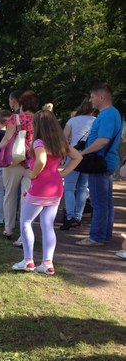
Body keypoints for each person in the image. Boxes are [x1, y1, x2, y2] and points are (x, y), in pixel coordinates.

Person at [12, 110, 82, 274]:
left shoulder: (38, 142)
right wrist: (63, 173)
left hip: (40, 187)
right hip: (56, 187)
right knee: (47, 225)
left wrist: (34, 174)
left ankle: (28, 260)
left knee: (26, 222)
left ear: (38, 125)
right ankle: (47, 263)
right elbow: (78, 157)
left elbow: (41, 160)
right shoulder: (60, 142)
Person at [76, 82, 123, 246]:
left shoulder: (108, 115)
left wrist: (82, 153)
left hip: (99, 163)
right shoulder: (113, 113)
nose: (91, 100)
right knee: (105, 202)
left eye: (93, 96)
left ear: (102, 97)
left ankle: (96, 237)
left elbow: (102, 140)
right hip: (106, 162)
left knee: (98, 202)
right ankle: (104, 234)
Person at [0, 90, 38, 242]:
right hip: (32, 161)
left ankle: (9, 228)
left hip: (14, 161)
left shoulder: (15, 118)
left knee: (10, 195)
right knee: (27, 198)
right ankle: (24, 234)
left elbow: (6, 139)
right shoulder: (39, 119)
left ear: (19, 102)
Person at [61, 98, 96, 230]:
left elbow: (64, 138)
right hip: (88, 155)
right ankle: (78, 217)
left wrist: (67, 150)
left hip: (74, 155)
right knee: (82, 188)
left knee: (69, 188)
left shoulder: (72, 121)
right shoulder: (96, 121)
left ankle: (69, 216)